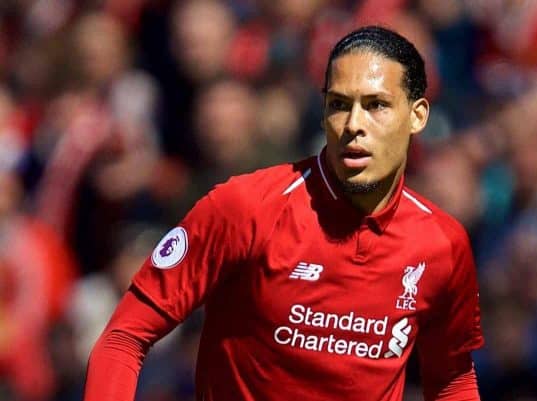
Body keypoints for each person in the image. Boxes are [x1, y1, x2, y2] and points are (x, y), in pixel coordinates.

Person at [84, 26, 484, 401]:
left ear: (417, 116)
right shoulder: (245, 208)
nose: (353, 125)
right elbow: (125, 336)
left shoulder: (441, 245)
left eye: (376, 105)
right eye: (339, 105)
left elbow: (452, 379)